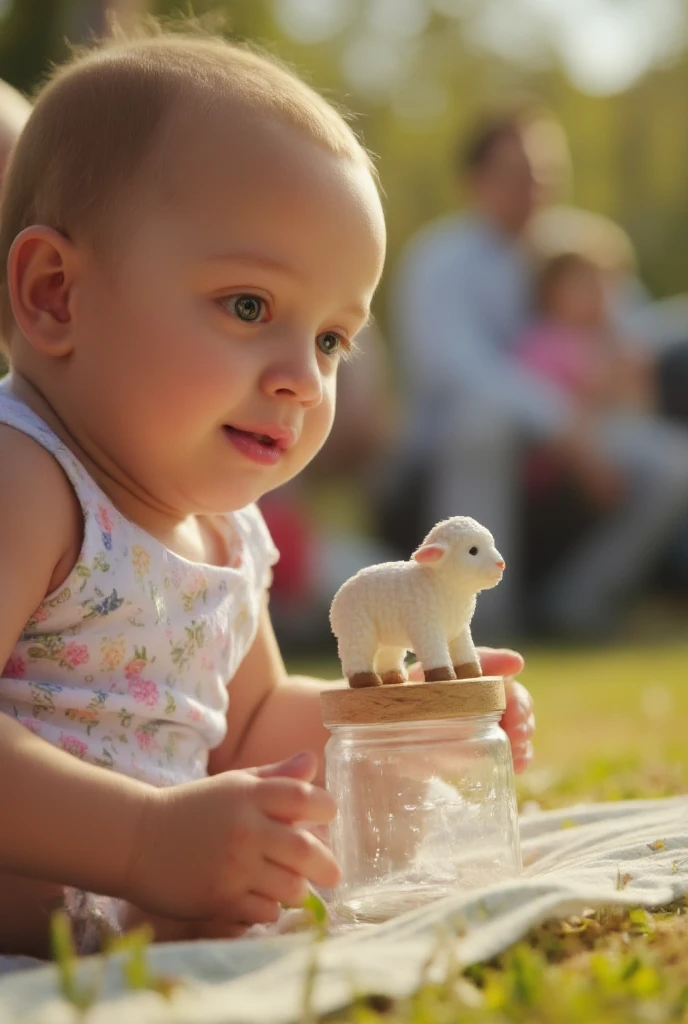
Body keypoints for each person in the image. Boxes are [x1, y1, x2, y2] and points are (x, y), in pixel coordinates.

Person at [0, 30, 535, 959]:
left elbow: (249, 723)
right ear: (55, 295)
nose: (302, 378)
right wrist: (142, 841)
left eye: (332, 339)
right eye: (249, 306)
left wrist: (403, 718)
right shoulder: (29, 478)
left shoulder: (226, 532)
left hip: (129, 912)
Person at [389, 113, 688, 640]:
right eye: (518, 173)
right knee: (483, 423)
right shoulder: (440, 260)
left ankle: (578, 605)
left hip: (579, 440)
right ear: (476, 181)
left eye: (547, 171)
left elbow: (631, 338)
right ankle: (478, 623)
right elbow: (457, 369)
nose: (535, 187)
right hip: (453, 459)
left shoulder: (577, 250)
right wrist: (562, 424)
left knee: (671, 465)